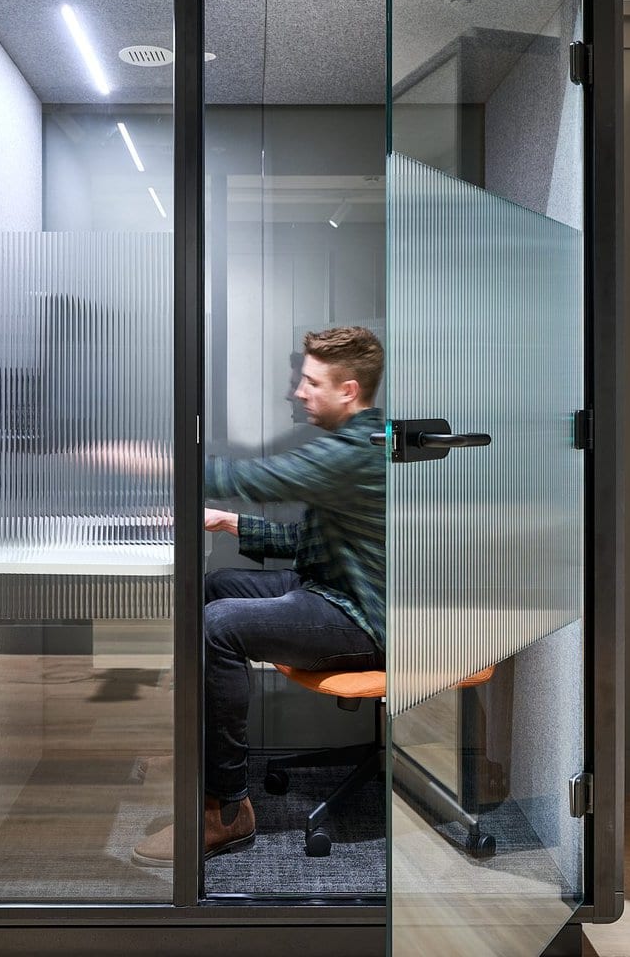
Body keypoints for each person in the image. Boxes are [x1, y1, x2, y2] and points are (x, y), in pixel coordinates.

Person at [128, 325, 386, 867]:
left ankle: (228, 810)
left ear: (348, 391)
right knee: (216, 587)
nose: (298, 391)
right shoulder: (353, 448)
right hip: (328, 588)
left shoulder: (355, 452)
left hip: (359, 619)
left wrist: (149, 461)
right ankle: (205, 757)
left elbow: (254, 477)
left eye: (311, 382)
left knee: (218, 624)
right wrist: (231, 524)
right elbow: (309, 544)